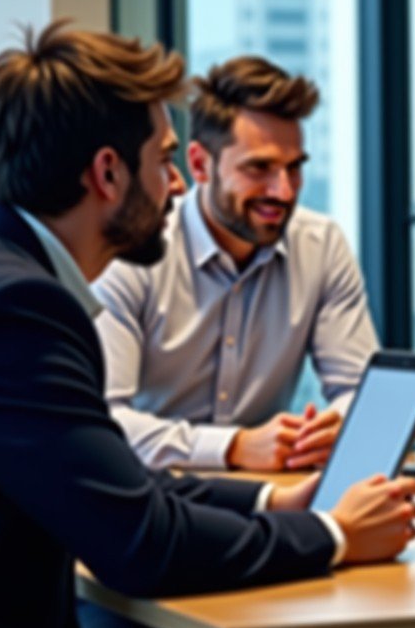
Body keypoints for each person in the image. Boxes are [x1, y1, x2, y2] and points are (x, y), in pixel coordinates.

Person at [0, 22, 415, 628]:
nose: (173, 186)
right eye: (164, 160)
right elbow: (140, 544)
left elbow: (114, 477)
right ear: (107, 173)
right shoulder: (13, 312)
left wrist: (271, 499)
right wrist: (334, 533)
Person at [94, 55, 377, 473]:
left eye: (294, 168)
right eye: (258, 168)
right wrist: (233, 447)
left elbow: (363, 393)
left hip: (270, 498)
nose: (282, 192)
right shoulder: (133, 251)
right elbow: (105, 421)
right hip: (152, 502)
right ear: (199, 165)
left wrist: (335, 427)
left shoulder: (321, 246)